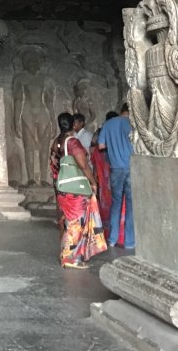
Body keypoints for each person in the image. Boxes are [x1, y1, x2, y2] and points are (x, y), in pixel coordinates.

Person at [49, 112, 107, 269]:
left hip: (62, 186)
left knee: (69, 221)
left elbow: (53, 164)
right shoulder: (72, 142)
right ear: (73, 124)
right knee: (76, 223)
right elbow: (83, 165)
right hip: (75, 188)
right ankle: (70, 258)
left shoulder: (57, 142)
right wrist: (93, 182)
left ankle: (68, 254)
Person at [98, 103, 135, 249]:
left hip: (115, 170)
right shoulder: (132, 124)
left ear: (121, 110)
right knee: (131, 205)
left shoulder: (108, 124)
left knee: (116, 204)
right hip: (131, 168)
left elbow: (101, 146)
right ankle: (129, 242)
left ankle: (112, 240)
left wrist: (114, 146)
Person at [91, 111, 125, 247]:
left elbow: (96, 149)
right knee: (120, 204)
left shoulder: (102, 132)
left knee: (109, 205)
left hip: (105, 177)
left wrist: (94, 179)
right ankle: (121, 237)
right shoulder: (123, 131)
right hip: (117, 170)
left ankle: (109, 236)